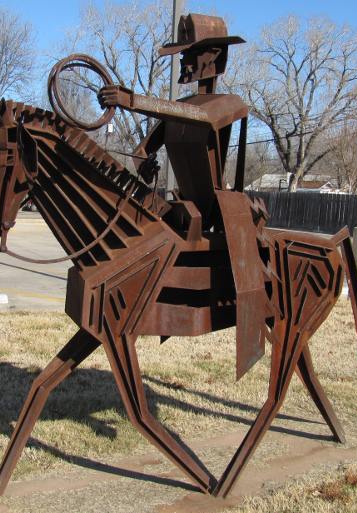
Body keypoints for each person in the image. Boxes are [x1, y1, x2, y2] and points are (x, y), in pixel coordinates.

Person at [98, 13, 268, 378]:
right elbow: (150, 142)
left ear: (211, 58)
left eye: (189, 55)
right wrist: (143, 157)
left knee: (249, 286)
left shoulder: (227, 102)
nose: (184, 63)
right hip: (186, 205)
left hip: (223, 211)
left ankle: (251, 322)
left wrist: (132, 99)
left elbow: (196, 117)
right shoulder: (180, 109)